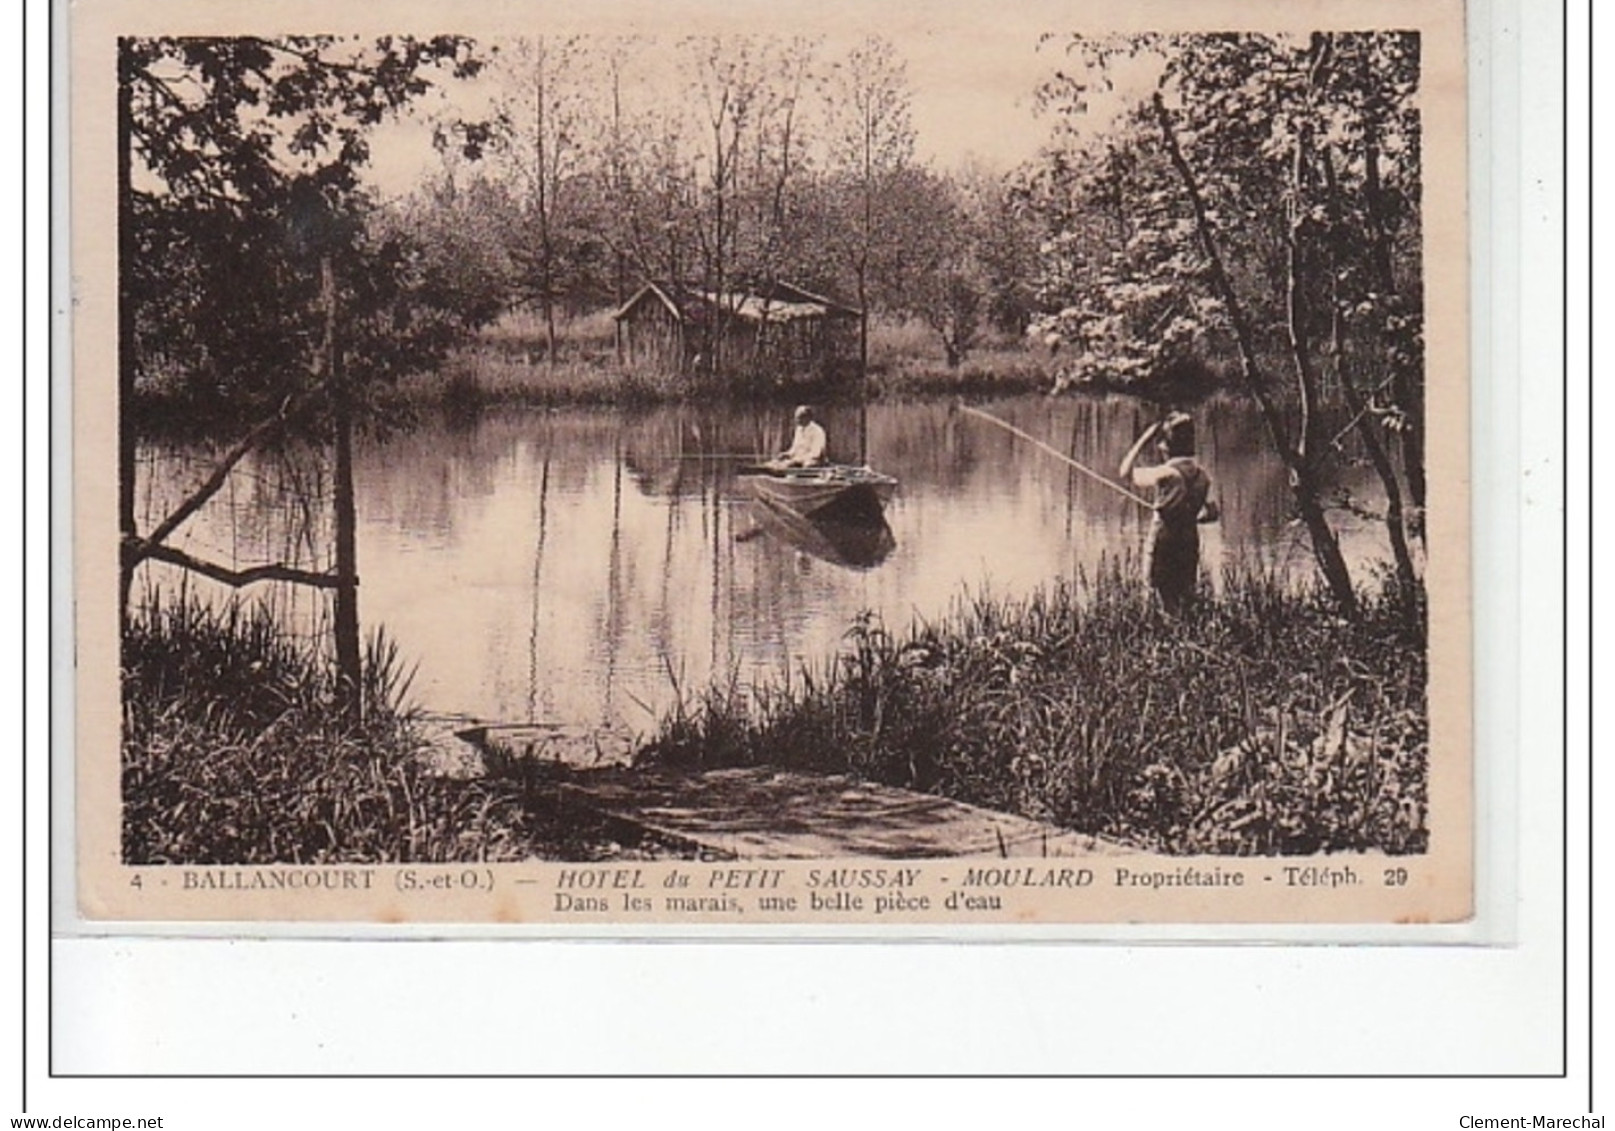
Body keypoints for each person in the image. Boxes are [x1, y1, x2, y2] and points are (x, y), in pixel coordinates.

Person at [1118, 411, 1214, 614]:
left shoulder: (1165, 473)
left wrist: (1143, 438)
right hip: (1189, 540)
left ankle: (1161, 638)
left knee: (1154, 593)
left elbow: (1125, 472)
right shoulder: (1203, 476)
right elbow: (1212, 513)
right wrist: (1190, 517)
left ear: (1168, 446)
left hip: (1164, 540)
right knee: (1184, 594)